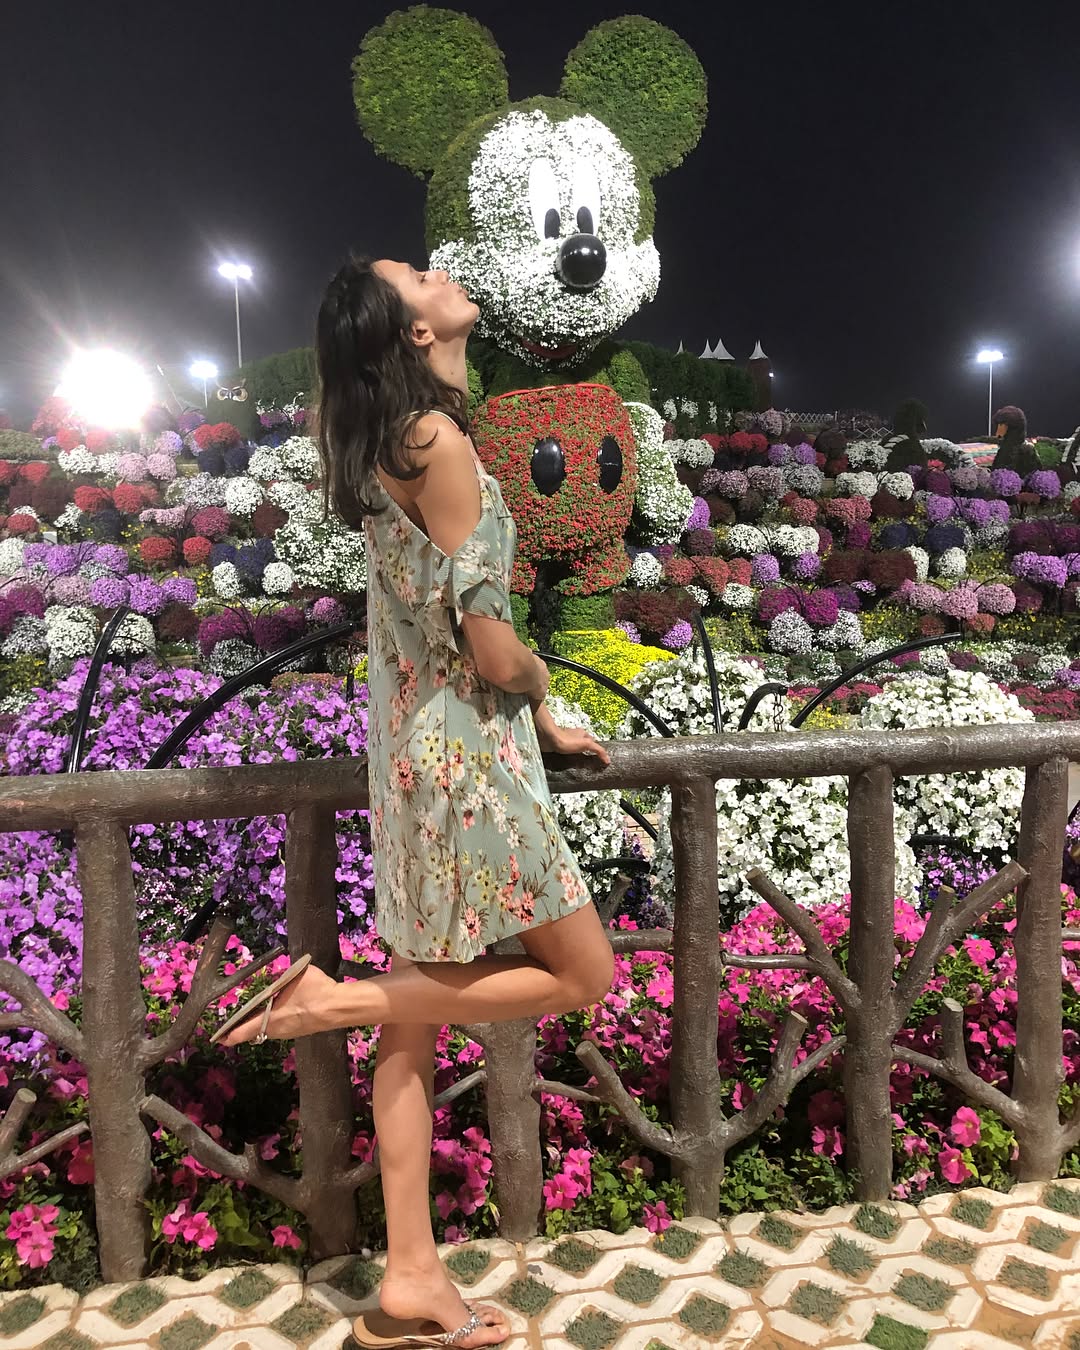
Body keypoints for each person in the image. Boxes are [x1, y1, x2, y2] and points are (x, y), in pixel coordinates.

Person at [213, 253, 616, 1349]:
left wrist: (542, 720)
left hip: (409, 764)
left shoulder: (384, 446)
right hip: (471, 767)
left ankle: (408, 1281)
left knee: (418, 1017)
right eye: (418, 278)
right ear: (418, 336)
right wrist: (542, 688)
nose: (441, 272)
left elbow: (428, 626)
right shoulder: (439, 441)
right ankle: (334, 1001)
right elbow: (490, 646)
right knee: (584, 973)